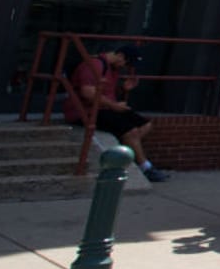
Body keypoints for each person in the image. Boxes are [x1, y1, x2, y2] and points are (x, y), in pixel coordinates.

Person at [65, 44, 168, 182]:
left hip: (106, 108)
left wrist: (123, 89)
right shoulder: (95, 65)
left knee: (145, 124)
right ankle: (145, 167)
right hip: (86, 111)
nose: (125, 66)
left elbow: (106, 93)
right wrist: (114, 105)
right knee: (131, 132)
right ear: (120, 55)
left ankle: (124, 152)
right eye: (126, 62)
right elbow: (88, 92)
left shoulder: (113, 70)